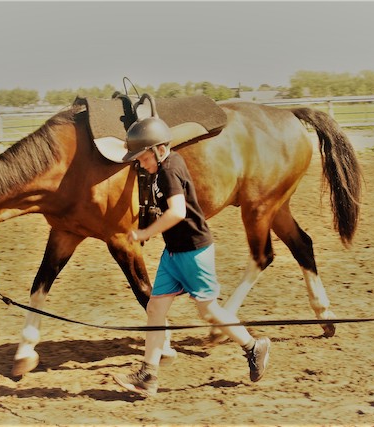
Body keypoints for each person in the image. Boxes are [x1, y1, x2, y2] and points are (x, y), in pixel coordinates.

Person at [112, 132, 270, 398]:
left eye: (144, 157)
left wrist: (145, 233)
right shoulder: (165, 164)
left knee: (208, 312)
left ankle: (254, 346)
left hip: (194, 252)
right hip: (173, 253)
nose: (141, 163)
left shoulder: (168, 170)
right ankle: (148, 375)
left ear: (159, 149)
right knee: (155, 308)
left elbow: (178, 211)